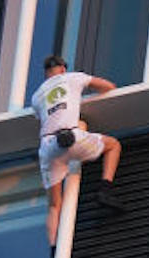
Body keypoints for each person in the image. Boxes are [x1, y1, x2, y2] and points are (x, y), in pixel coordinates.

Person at [31, 54, 122, 246]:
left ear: (46, 73)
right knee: (113, 145)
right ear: (63, 68)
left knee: (55, 205)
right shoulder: (72, 78)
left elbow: (44, 117)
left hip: (49, 146)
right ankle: (105, 188)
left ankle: (53, 248)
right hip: (72, 137)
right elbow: (109, 87)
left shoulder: (37, 96)